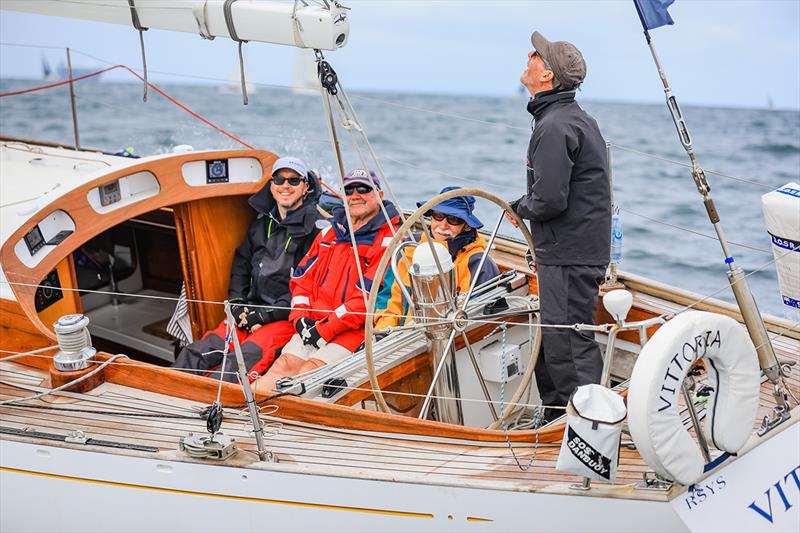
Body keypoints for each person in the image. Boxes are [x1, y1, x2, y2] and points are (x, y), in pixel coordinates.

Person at [509, 32, 611, 415]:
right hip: (569, 251)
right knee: (557, 343)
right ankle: (558, 420)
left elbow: (550, 199)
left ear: (547, 75)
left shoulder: (554, 126)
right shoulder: (569, 119)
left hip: (570, 255)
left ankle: (591, 427)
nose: (529, 54)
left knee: (569, 345)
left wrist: (519, 207)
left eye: (536, 54)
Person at [172, 157, 322, 382]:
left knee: (240, 361)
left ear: (305, 187)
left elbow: (309, 285)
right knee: (199, 351)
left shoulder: (316, 231)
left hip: (285, 319)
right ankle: (163, 391)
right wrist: (237, 304)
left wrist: (265, 315)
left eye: (293, 180)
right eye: (279, 179)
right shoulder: (261, 225)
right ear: (271, 186)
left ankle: (209, 411)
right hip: (249, 310)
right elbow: (241, 265)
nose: (286, 186)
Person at [255, 168, 400, 393]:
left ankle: (281, 422)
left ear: (380, 195)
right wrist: (301, 319)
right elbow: (301, 281)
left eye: (364, 189)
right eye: (349, 190)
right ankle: (240, 415)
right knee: (282, 366)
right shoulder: (327, 235)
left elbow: (366, 299)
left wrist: (325, 329)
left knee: (309, 372)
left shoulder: (387, 241)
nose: (355, 195)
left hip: (354, 331)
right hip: (312, 325)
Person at [374, 186, 500, 330]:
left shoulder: (477, 264)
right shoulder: (408, 249)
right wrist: (383, 333)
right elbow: (389, 299)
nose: (443, 224)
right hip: (398, 338)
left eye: (454, 219)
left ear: (467, 226)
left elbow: (472, 322)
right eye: (438, 216)